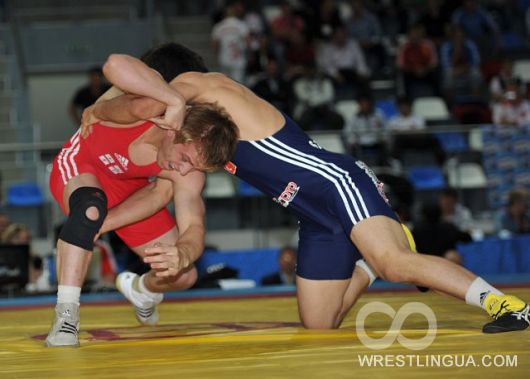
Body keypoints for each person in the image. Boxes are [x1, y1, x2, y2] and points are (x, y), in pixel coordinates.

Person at [83, 51, 530, 334]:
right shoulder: (187, 132)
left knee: (394, 263)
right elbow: (187, 209)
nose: (177, 169)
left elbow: (117, 64)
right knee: (320, 324)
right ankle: (365, 263)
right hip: (313, 217)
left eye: (180, 162)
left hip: (338, 185)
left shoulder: (197, 91)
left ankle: (507, 306)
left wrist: (157, 104)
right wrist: (97, 108)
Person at [45, 43, 239, 347]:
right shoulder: (144, 109)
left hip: (129, 189)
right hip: (83, 165)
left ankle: (142, 289)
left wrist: (184, 254)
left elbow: (191, 223)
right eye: (185, 161)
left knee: (183, 275)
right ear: (173, 128)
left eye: (194, 167)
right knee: (89, 208)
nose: (184, 171)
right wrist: (173, 99)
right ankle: (66, 317)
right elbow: (114, 63)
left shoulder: (187, 166)